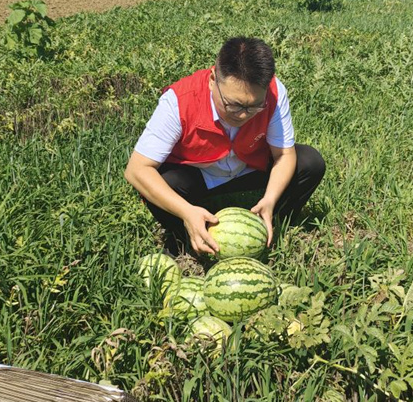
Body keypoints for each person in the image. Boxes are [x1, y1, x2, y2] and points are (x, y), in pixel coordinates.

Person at [124, 36, 325, 256]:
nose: (243, 115)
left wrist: (270, 199)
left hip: (249, 167)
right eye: (234, 104)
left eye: (254, 107)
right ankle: (182, 239)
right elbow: (136, 170)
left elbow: (284, 154)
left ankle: (274, 224)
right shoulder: (178, 101)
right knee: (163, 183)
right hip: (199, 176)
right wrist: (186, 212)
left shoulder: (274, 93)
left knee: (309, 162)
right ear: (212, 80)